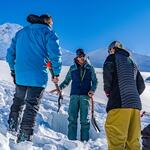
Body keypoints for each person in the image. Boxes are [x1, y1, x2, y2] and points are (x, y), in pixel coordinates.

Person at [6, 14, 62, 143]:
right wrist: (56, 73)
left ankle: (11, 126)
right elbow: (55, 55)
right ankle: (24, 137)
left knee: (18, 101)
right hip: (37, 77)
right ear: (47, 22)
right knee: (31, 106)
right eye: (52, 23)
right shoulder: (48, 33)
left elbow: (10, 55)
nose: (52, 25)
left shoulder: (21, 33)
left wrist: (14, 71)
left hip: (20, 76)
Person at [103, 41, 145, 150]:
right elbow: (141, 86)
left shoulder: (111, 58)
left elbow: (107, 79)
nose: (109, 53)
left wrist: (109, 94)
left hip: (119, 104)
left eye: (109, 50)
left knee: (116, 140)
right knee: (133, 143)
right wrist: (132, 94)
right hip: (135, 107)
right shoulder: (132, 63)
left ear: (113, 49)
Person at [53, 48, 98, 141]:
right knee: (72, 119)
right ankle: (71, 142)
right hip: (74, 96)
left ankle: (84, 142)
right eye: (80, 56)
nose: (82, 58)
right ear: (77, 57)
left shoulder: (90, 68)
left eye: (83, 56)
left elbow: (95, 81)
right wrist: (59, 88)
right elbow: (66, 81)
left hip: (85, 96)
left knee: (85, 120)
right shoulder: (72, 68)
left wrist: (92, 90)